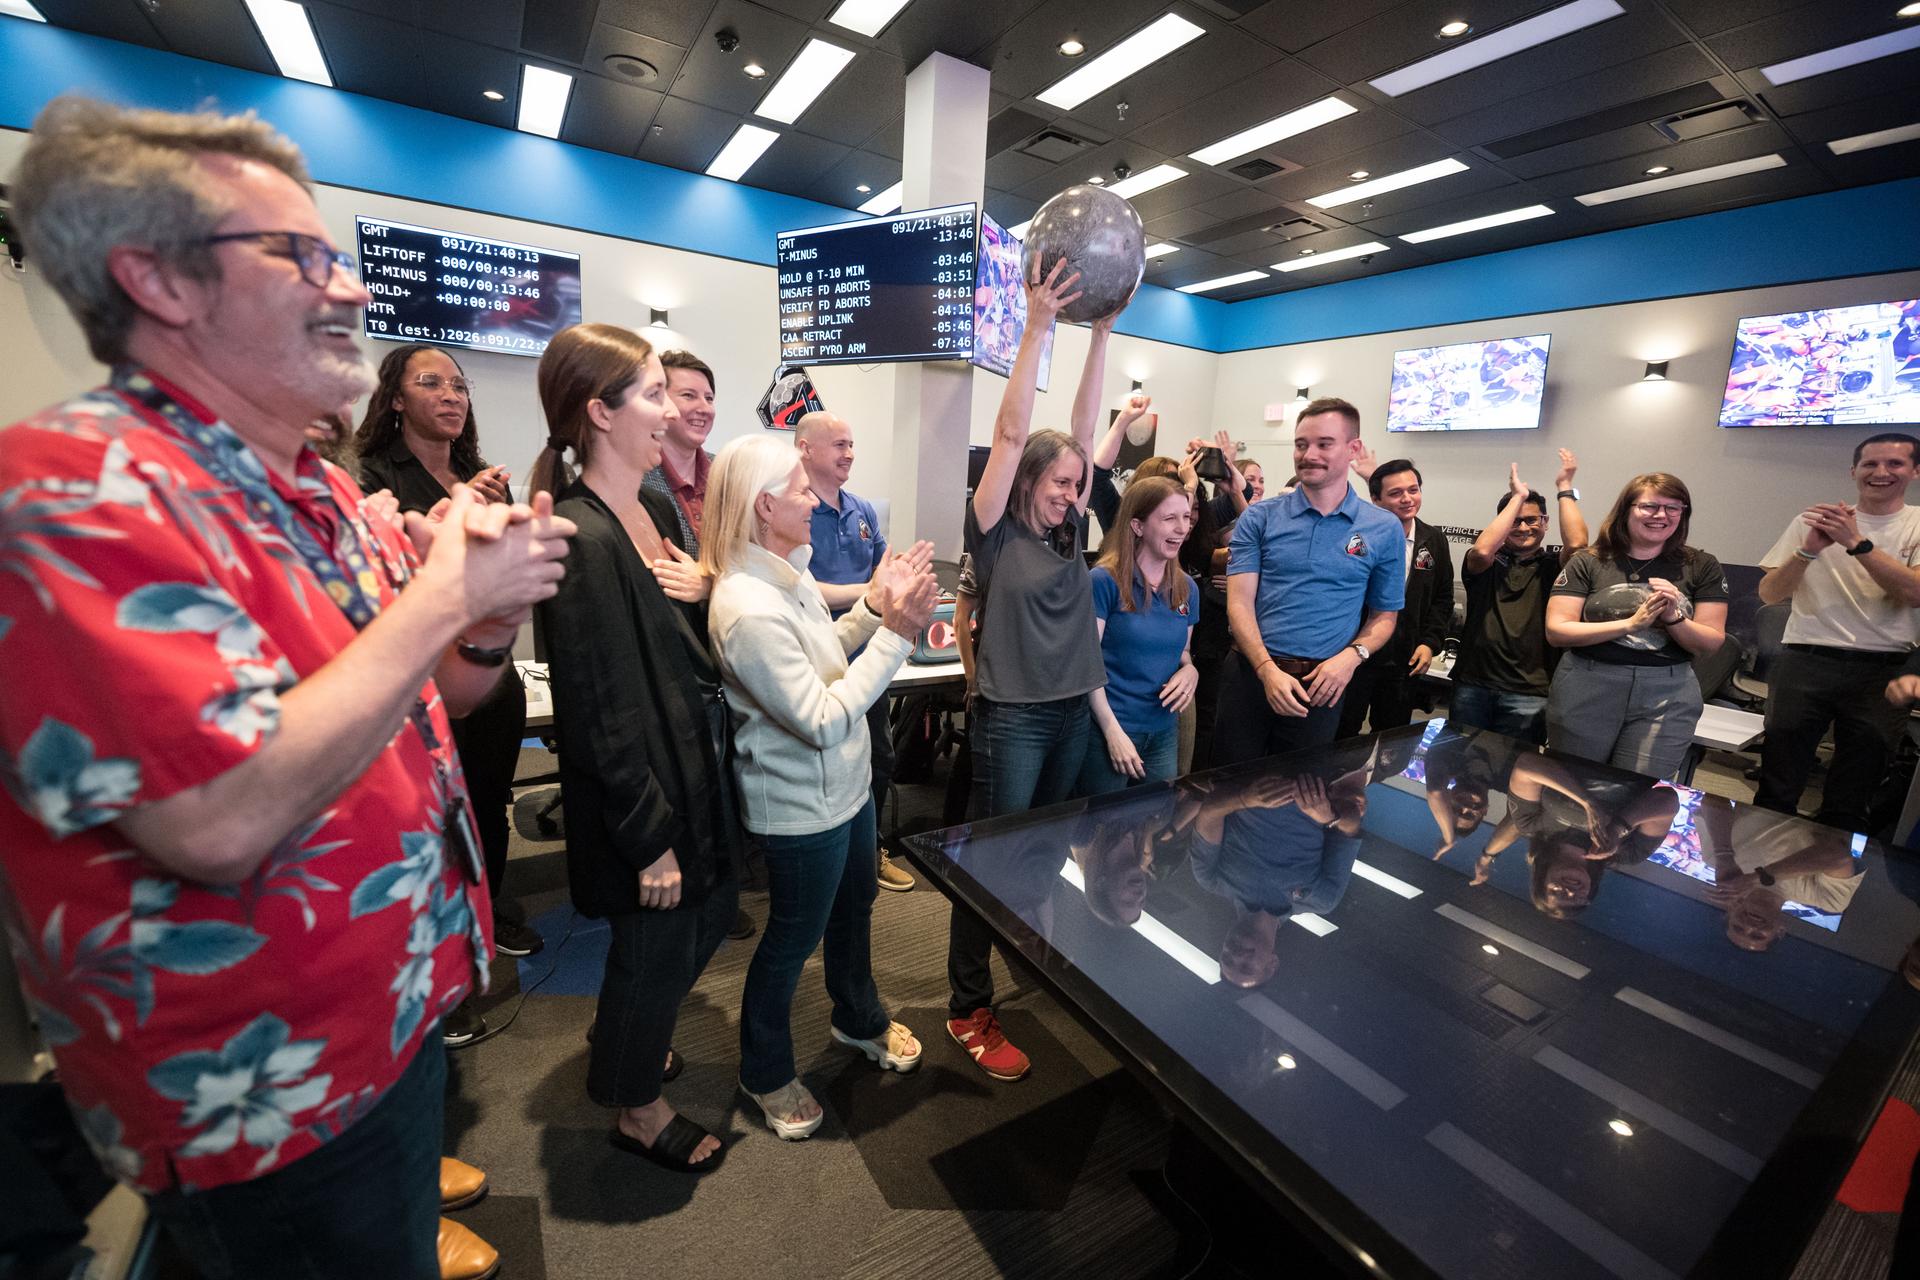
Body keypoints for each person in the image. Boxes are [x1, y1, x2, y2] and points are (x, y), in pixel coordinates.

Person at [0, 97, 574, 1279]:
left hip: (399, 1009)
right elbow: (218, 816)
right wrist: (442, 597)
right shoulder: (69, 492)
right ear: (156, 279)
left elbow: (436, 710)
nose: (352, 289)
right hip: (264, 1091)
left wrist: (482, 623)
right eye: (299, 254)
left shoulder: (307, 486)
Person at [528, 322, 738, 1173]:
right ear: (599, 413)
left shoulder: (650, 505)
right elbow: (599, 709)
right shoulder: (582, 535)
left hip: (695, 773)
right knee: (657, 943)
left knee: (710, 918)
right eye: (654, 394)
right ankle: (636, 1107)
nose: (673, 412)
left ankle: (624, 1035)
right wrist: (646, 836)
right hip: (642, 793)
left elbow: (681, 640)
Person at [703, 436, 938, 1140]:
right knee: (790, 940)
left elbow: (828, 653)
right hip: (800, 805)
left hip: (846, 790)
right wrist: (896, 632)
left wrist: (871, 606)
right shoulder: (745, 606)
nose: (815, 500)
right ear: (764, 504)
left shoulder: (784, 573)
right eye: (801, 490)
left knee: (855, 908)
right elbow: (822, 718)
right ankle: (765, 1070)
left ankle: (857, 1019)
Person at [948, 261, 1110, 1083]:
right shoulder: (994, 530)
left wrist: (1105, 330)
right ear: (1028, 485)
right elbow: (1014, 436)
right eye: (1058, 483)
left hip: (1068, 716)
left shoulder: (1069, 532)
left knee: (1043, 850)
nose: (1069, 494)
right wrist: (1038, 324)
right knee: (988, 859)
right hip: (1010, 716)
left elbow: (1080, 431)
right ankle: (967, 1005)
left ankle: (1021, 946)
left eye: (1076, 486)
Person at [353, 344, 540, 1052]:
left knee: (490, 806)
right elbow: (388, 580)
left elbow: (501, 574)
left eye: (459, 385)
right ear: (395, 399)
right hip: (419, 684)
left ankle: (487, 923)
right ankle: (439, 973)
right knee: (429, 825)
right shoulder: (372, 478)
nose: (451, 395)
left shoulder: (480, 477)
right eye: (430, 383)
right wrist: (449, 515)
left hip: (490, 674)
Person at [1214, 398, 1405, 765]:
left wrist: (1352, 657)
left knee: (1298, 798)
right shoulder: (1259, 518)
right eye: (1301, 444)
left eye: (1323, 444)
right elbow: (1238, 603)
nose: (1308, 454)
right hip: (1250, 676)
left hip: (1322, 685)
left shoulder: (1382, 528)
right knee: (1226, 788)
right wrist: (1266, 670)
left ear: (1352, 450)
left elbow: (1385, 616)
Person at [1754, 434, 1920, 832]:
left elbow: (1913, 593)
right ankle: (1757, 887)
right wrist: (1808, 550)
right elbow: (1770, 593)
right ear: (1853, 472)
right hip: (1804, 660)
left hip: (1882, 669)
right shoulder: (1811, 521)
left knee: (1853, 794)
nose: (1881, 473)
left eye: (1894, 464)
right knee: (1777, 781)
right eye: (1870, 464)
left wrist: (1856, 543)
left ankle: (1828, 888)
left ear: (1915, 471)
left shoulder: (1916, 523)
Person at [794, 410, 913, 892]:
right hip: (818, 664)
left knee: (877, 757)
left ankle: (868, 849)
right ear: (805, 449)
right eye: (839, 444)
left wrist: (897, 584)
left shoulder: (861, 510)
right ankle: (830, 859)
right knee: (826, 765)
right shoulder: (792, 510)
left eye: (851, 444)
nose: (850, 454)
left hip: (869, 660)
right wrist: (869, 593)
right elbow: (800, 588)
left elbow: (887, 566)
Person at [1544, 473, 1728, 780]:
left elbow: (1710, 642)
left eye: (1673, 507)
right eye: (1650, 506)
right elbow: (1557, 630)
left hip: (1666, 692)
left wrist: (1673, 617)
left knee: (1639, 790)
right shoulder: (1589, 561)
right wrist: (1631, 624)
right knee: (1571, 782)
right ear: (1626, 510)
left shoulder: (1701, 565)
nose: (1661, 515)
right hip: (1588, 683)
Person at [1449, 453, 1588, 744]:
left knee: (1513, 778)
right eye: (1515, 521)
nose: (1523, 527)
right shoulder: (1486, 564)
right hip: (1473, 683)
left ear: (1545, 522)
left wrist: (1565, 487)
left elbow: (1576, 545)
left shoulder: (1554, 566)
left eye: (1532, 520)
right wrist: (1517, 497)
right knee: (1458, 770)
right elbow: (1484, 551)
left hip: (1529, 692)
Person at [1080, 476, 1200, 794]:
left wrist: (1191, 670)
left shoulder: (1188, 589)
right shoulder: (1103, 582)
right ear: (1137, 526)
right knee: (1101, 834)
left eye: (1186, 517)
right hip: (1111, 728)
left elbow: (1182, 652)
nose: (1182, 528)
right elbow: (1087, 669)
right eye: (1169, 518)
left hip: (1161, 731)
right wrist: (1112, 732)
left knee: (1155, 826)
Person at [1339, 457, 1453, 737]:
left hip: (1404, 661)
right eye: (1396, 493)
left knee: (1393, 744)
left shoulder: (1433, 539)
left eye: (1413, 490)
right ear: (1376, 499)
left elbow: (1442, 597)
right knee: (1340, 738)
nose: (1407, 499)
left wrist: (1429, 643)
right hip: (1353, 655)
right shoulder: (1357, 536)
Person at [642, 349, 718, 554]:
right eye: (689, 395)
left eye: (709, 398)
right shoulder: (635, 479)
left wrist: (705, 579)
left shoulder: (727, 471)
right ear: (659, 402)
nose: (705, 408)